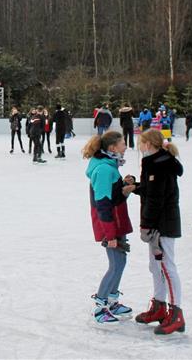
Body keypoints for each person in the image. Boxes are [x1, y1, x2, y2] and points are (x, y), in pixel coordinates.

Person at [130, 129, 185, 335]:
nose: (139, 146)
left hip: (163, 224)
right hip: (157, 222)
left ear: (148, 143)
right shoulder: (155, 161)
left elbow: (156, 198)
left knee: (167, 267)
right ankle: (159, 306)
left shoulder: (160, 163)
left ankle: (176, 313)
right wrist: (134, 187)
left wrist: (146, 224)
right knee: (155, 266)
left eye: (140, 142)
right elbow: (150, 190)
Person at [83, 130, 134, 324]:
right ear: (112, 148)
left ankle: (112, 301)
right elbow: (103, 203)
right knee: (115, 265)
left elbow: (114, 196)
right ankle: (100, 306)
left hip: (116, 222)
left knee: (120, 263)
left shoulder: (110, 165)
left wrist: (125, 188)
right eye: (122, 143)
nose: (125, 147)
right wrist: (110, 235)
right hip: (110, 225)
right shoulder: (104, 169)